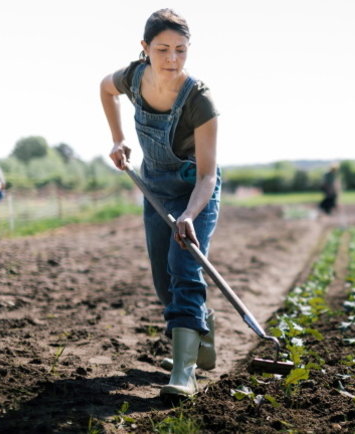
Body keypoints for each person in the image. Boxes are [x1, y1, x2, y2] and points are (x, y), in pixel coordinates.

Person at [99, 9, 221, 400]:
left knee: (184, 268)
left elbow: (208, 176)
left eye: (181, 50)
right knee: (163, 279)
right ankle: (200, 327)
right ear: (145, 48)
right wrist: (118, 138)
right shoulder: (134, 78)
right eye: (163, 49)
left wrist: (189, 215)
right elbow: (105, 88)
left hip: (194, 193)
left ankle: (184, 372)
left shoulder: (200, 100)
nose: (172, 58)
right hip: (155, 188)